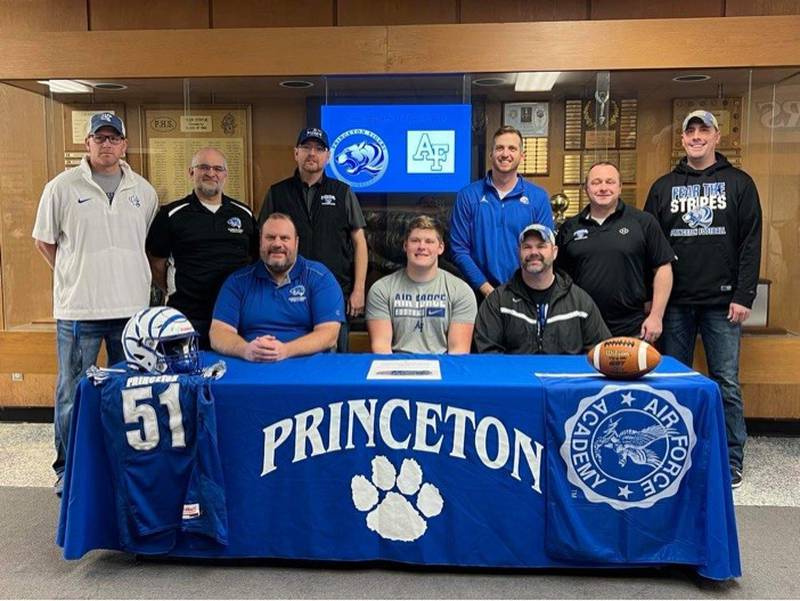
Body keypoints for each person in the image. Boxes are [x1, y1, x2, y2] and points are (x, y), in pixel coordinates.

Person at [31, 112, 158, 495]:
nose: (106, 145)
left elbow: (146, 244)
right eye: (99, 138)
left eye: (113, 138)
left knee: (130, 391)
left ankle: (125, 462)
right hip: (79, 312)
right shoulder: (61, 187)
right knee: (73, 392)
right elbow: (44, 241)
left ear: (124, 145)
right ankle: (66, 469)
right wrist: (75, 273)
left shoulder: (143, 190)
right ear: (86, 144)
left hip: (130, 312)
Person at [645, 109, 762, 489]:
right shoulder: (663, 187)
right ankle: (678, 450)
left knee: (725, 380)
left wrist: (744, 294)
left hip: (722, 302)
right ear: (682, 139)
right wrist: (653, 302)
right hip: (675, 302)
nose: (696, 136)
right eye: (690, 131)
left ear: (716, 137)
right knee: (673, 380)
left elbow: (750, 244)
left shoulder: (739, 183)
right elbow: (650, 248)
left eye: (703, 130)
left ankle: (731, 458)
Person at [258, 127, 368, 351]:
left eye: (319, 149)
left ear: (327, 156)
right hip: (285, 293)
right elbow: (263, 243)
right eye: (306, 147)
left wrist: (358, 290)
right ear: (295, 153)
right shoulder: (277, 192)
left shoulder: (343, 192)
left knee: (334, 366)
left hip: (335, 292)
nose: (312, 153)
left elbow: (360, 242)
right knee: (288, 357)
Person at [146, 148, 258, 349]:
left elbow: (255, 258)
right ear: (191, 172)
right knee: (188, 376)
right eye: (203, 167)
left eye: (217, 168)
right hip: (187, 317)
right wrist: (171, 289)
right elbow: (156, 261)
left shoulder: (244, 214)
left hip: (235, 316)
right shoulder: (171, 214)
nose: (211, 173)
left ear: (225, 175)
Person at [556, 162, 674, 341]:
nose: (603, 188)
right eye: (596, 182)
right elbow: (558, 277)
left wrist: (656, 316)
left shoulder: (643, 222)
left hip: (632, 328)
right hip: (580, 328)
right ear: (586, 189)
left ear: (620, 188)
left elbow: (663, 268)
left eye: (610, 182)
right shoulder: (569, 228)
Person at [210, 212, 344, 362]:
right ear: (260, 242)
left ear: (296, 242)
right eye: (270, 237)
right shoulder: (238, 281)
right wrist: (245, 350)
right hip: (251, 366)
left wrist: (285, 350)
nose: (277, 244)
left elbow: (329, 334)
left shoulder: (320, 277)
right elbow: (218, 333)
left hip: (307, 368)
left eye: (285, 238)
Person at [450, 125, 554, 299]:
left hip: (526, 293)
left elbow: (544, 248)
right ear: (491, 154)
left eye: (512, 148)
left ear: (522, 156)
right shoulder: (468, 196)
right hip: (478, 295)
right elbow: (459, 249)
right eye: (499, 148)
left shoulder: (538, 198)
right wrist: (486, 289)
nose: (505, 154)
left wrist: (525, 287)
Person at [474, 223, 610, 354]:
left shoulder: (580, 303)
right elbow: (488, 354)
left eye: (541, 246)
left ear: (555, 252)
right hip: (514, 377)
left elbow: (602, 352)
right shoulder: (498, 302)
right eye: (527, 247)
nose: (534, 252)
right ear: (519, 252)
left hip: (564, 377)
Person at [366, 215, 476, 354]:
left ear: (440, 248)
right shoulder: (381, 290)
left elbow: (458, 352)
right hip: (395, 369)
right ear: (405, 246)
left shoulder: (461, 291)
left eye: (429, 241)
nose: (422, 247)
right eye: (415, 241)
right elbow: (381, 348)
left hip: (443, 369)